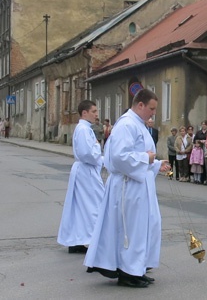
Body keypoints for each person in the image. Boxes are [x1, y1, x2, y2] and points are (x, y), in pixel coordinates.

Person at [84, 89, 171, 288]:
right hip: (128, 186)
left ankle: (138, 268)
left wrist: (156, 164)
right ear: (140, 105)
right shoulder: (126, 124)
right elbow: (119, 157)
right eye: (151, 108)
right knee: (131, 229)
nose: (153, 113)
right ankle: (127, 271)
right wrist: (146, 158)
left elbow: (140, 153)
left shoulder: (138, 124)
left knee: (146, 226)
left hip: (139, 184)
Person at [57, 100, 104, 254]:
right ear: (85, 113)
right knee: (93, 205)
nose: (96, 114)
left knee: (80, 206)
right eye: (94, 111)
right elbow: (87, 153)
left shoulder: (85, 128)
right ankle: (91, 239)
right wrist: (97, 147)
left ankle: (78, 240)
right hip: (86, 171)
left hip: (84, 170)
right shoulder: (83, 129)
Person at [194, 120, 207, 184]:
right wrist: (200, 141)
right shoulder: (198, 132)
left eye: (205, 124)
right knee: (201, 165)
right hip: (199, 149)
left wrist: (205, 141)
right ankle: (201, 179)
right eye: (202, 124)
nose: (203, 125)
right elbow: (195, 140)